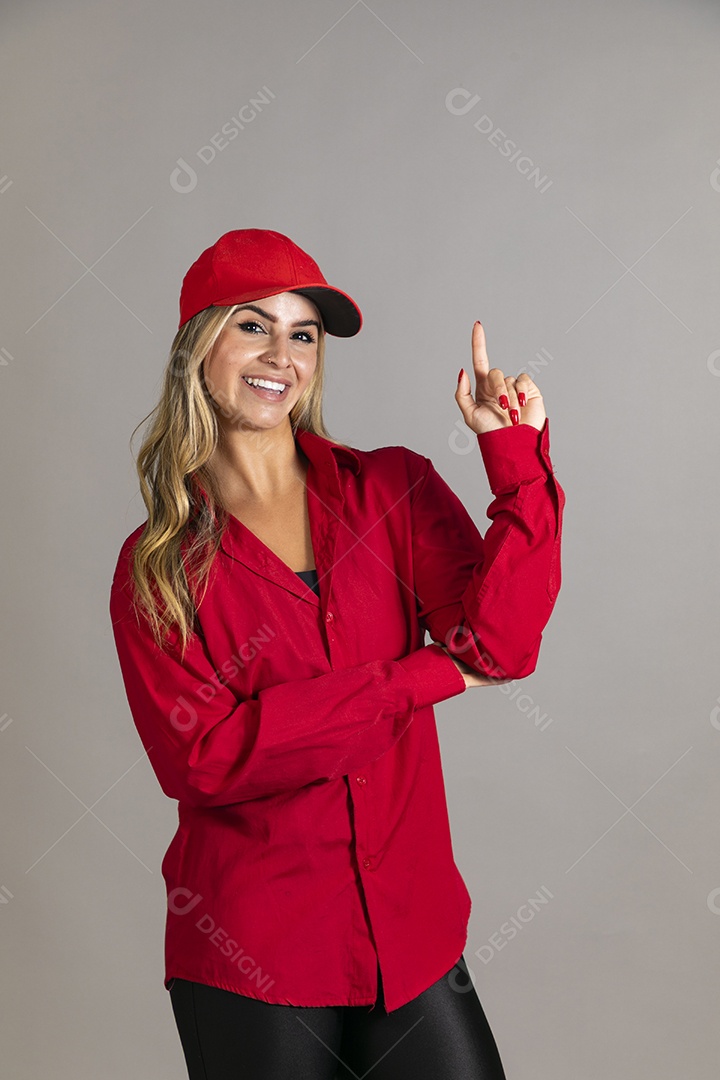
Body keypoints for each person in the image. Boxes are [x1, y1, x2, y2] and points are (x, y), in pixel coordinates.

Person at [109, 228, 565, 1079]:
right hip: (256, 954)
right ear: (197, 346)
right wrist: (417, 678)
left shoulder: (393, 488)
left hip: (409, 934)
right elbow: (206, 759)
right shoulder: (161, 565)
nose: (281, 352)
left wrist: (517, 463)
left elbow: (500, 646)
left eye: (303, 333)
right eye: (253, 325)